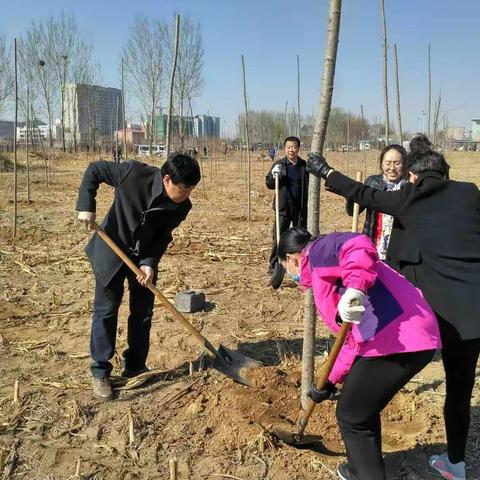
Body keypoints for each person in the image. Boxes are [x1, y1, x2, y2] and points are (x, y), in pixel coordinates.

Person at [307, 136, 480, 480]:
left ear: (413, 176)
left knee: (374, 376)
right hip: (474, 313)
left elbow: (363, 194)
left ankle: (362, 439)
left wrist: (325, 171)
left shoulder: (412, 196)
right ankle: (456, 465)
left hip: (434, 315)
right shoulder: (471, 194)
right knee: (459, 390)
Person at [278, 227, 441, 480]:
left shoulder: (318, 252)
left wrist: (355, 288)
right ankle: (359, 469)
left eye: (287, 269)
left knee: (352, 415)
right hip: (408, 336)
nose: (291, 276)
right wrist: (330, 380)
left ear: (291, 259)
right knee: (361, 409)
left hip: (397, 338)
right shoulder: (324, 277)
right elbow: (351, 339)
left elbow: (357, 244)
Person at [76, 154, 201, 400]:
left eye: (192, 188)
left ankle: (135, 364)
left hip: (142, 261)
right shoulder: (133, 174)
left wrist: (149, 264)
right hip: (111, 251)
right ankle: (100, 371)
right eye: (184, 188)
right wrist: (86, 205)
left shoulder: (182, 207)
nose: (187, 193)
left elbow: (163, 236)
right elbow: (95, 170)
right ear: (167, 179)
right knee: (107, 311)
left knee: (142, 313)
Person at [346, 144, 407, 259]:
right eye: (388, 163)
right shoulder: (372, 182)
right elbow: (352, 211)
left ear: (404, 164)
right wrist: (354, 192)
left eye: (397, 163)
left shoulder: (408, 185)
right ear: (381, 164)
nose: (392, 168)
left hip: (400, 248)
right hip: (373, 244)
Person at [265, 136, 308, 287]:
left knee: (300, 238)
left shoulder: (303, 166)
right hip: (283, 208)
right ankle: (274, 265)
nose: (292, 150)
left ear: (298, 148)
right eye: (289, 147)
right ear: (285, 149)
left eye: (294, 147)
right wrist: (273, 176)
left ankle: (300, 265)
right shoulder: (279, 164)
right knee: (279, 237)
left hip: (299, 208)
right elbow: (269, 184)